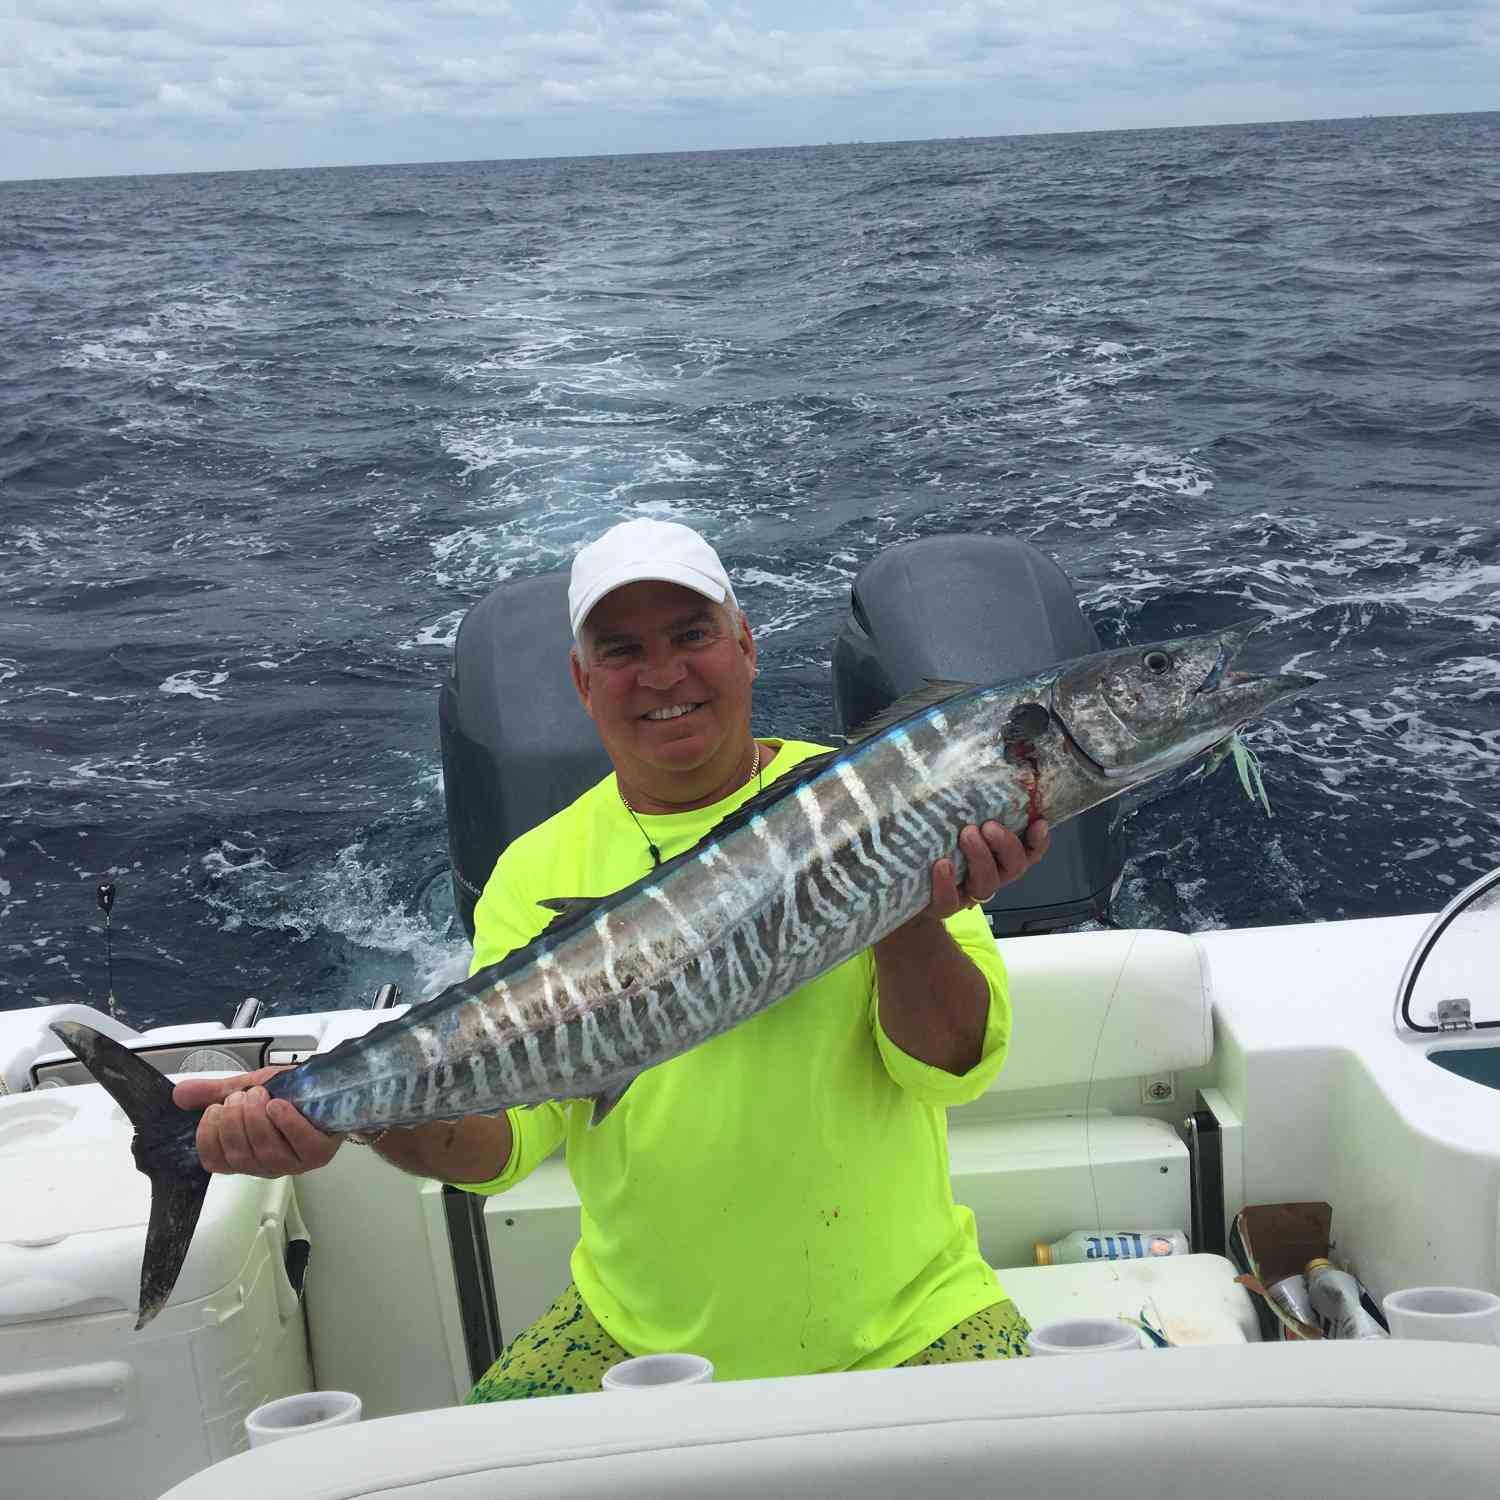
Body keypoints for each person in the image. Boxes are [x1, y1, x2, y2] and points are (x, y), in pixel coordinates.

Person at [176, 518, 1050, 1397]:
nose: (663, 674)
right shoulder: (537, 869)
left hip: (910, 1322)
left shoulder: (882, 791)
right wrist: (343, 1115)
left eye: (692, 635)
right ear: (582, 682)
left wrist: (903, 908)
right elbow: (503, 1145)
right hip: (636, 1339)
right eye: (623, 649)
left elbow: (951, 1071)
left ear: (746, 645)